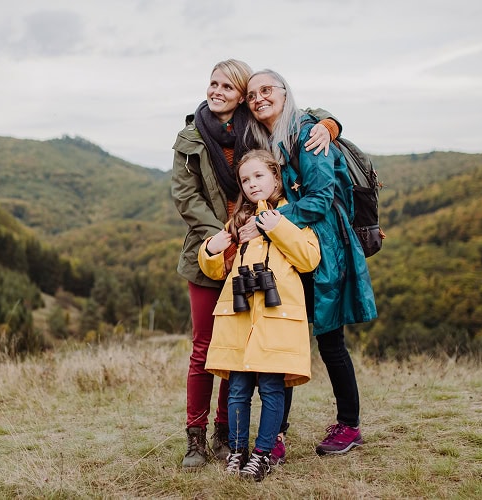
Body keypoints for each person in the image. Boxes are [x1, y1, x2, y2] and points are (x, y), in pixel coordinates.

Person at [171, 59, 340, 469]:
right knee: (204, 348)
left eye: (229, 86)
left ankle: (229, 436)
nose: (218, 91)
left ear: (242, 93)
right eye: (213, 83)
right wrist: (227, 234)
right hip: (218, 244)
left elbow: (301, 114)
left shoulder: (257, 126)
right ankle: (196, 436)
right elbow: (186, 196)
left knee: (243, 351)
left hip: (263, 245)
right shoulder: (191, 137)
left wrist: (330, 125)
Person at [243, 69, 378, 456]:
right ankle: (276, 434)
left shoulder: (306, 133)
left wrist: (269, 224)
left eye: (266, 90)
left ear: (285, 93)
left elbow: (320, 198)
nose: (259, 98)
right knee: (287, 338)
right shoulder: (270, 138)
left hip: (324, 247)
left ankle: (349, 426)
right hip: (293, 241)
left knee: (331, 341)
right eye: (252, 94)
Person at [198, 149, 321, 481]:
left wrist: (276, 227)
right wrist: (209, 250)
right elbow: (217, 269)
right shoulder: (237, 221)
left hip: (275, 317)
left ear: (276, 177)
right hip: (239, 317)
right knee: (238, 388)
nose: (252, 184)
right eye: (245, 179)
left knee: (270, 387)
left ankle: (263, 453)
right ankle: (238, 451)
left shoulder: (294, 215)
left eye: (259, 176)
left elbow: (309, 258)